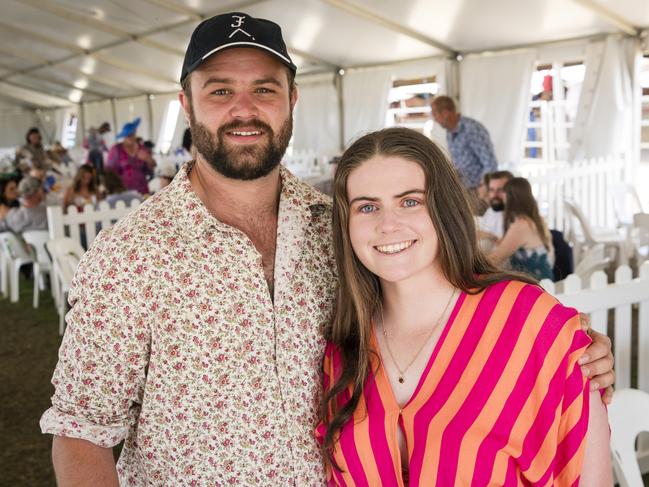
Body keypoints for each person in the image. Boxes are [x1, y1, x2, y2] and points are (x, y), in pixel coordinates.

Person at [40, 12, 614, 486]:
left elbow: (451, 300)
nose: (245, 108)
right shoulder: (129, 255)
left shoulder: (339, 227)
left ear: (292, 100)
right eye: (220, 91)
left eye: (264, 89)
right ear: (186, 105)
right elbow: (82, 431)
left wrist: (565, 352)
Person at [318, 127, 611, 486]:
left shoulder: (530, 323)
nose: (387, 225)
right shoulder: (342, 347)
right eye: (367, 207)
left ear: (444, 210)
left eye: (409, 201)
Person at [430, 96, 498, 206]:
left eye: (435, 114)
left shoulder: (472, 129)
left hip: (478, 192)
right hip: (463, 191)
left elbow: (490, 163)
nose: (434, 119)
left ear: (446, 113)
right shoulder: (449, 131)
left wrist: (483, 188)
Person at [489, 177, 555, 280]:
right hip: (545, 282)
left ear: (509, 197)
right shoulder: (535, 219)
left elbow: (495, 259)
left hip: (534, 286)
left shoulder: (521, 225)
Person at [105, 118, 156, 194]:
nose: (131, 137)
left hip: (142, 189)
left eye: (133, 134)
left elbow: (152, 167)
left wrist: (148, 159)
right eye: (129, 135)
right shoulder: (116, 149)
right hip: (122, 190)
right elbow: (109, 172)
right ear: (124, 136)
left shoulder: (142, 148)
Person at [478, 170, 513, 241]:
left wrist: (490, 236)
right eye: (492, 190)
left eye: (500, 190)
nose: (494, 195)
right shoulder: (490, 211)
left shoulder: (517, 217)